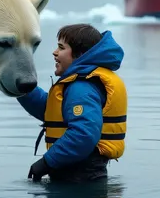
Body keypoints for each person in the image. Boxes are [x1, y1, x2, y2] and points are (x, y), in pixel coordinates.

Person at [17, 23, 127, 183]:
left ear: (80, 54)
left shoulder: (82, 87)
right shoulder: (80, 83)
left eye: (61, 48)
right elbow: (49, 110)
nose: (55, 52)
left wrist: (46, 162)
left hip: (80, 177)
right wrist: (23, 88)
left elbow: (84, 134)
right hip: (83, 174)